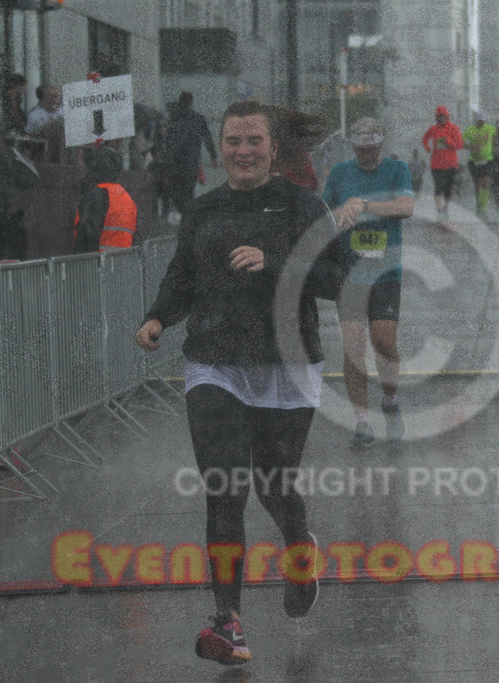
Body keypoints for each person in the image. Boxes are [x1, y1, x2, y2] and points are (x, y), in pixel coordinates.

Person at [135, 100, 344, 666]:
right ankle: (228, 620)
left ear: (275, 148)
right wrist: (158, 317)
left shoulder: (304, 207)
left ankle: (300, 548)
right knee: (226, 486)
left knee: (276, 487)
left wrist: (276, 261)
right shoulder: (205, 211)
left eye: (255, 141)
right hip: (214, 363)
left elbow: (338, 277)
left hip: (286, 365)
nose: (244, 151)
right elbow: (183, 274)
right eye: (233, 140)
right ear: (219, 147)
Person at [323, 117, 414, 446]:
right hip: (349, 273)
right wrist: (340, 215)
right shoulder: (340, 173)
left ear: (381, 146)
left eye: (372, 150)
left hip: (386, 271)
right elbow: (324, 215)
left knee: (384, 341)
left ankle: (390, 401)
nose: (367, 156)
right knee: (354, 346)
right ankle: (361, 420)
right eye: (362, 151)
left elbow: (406, 206)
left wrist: (365, 206)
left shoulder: (396, 169)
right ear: (354, 148)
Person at [160, 91, 218, 215]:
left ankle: (179, 215)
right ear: (191, 102)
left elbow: (166, 140)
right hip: (191, 164)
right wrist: (213, 156)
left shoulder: (173, 118)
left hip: (175, 164)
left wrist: (165, 156)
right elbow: (207, 138)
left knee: (176, 192)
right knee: (189, 192)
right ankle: (188, 217)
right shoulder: (198, 118)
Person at [74, 146, 138, 253]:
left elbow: (88, 237)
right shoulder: (127, 198)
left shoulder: (96, 195)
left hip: (98, 264)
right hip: (122, 264)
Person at [421, 106, 464, 224]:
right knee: (438, 187)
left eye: (443, 117)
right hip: (436, 165)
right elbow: (425, 138)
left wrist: (448, 142)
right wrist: (427, 147)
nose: (441, 119)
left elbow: (460, 144)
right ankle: (439, 211)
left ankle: (445, 209)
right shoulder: (433, 129)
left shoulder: (453, 128)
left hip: (451, 165)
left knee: (448, 189)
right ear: (436, 117)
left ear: (447, 117)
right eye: (438, 117)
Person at [462, 113, 496, 219]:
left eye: (482, 121)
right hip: (474, 161)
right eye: (479, 121)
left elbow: (497, 137)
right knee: (477, 185)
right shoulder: (470, 130)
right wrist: (470, 146)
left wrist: (496, 147)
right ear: (476, 121)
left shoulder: (490, 128)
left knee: (486, 183)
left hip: (487, 160)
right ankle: (478, 206)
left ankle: (483, 209)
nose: (481, 123)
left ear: (485, 121)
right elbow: (461, 142)